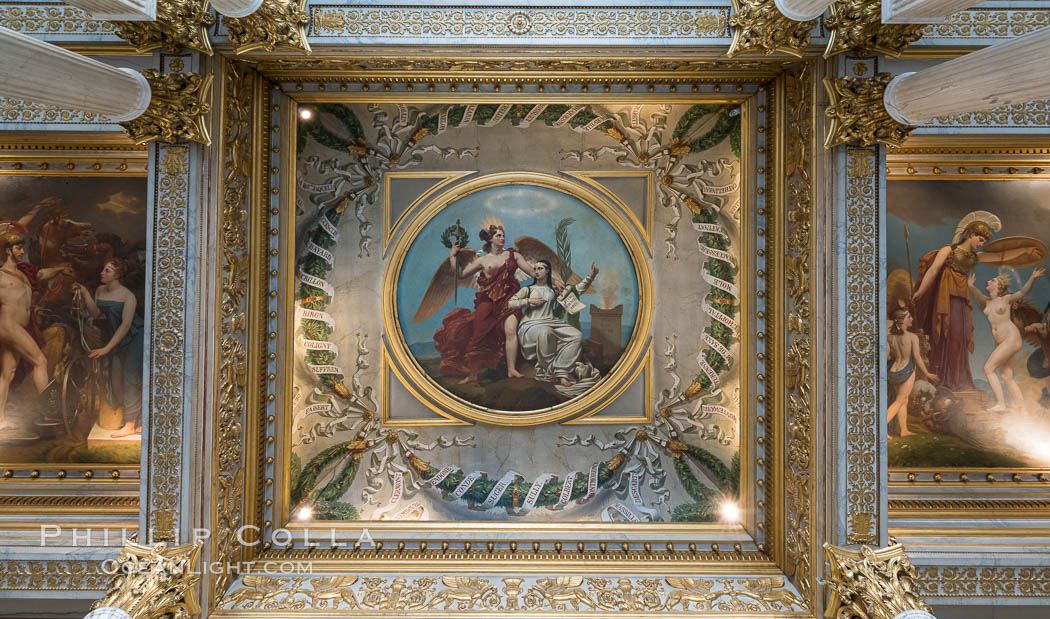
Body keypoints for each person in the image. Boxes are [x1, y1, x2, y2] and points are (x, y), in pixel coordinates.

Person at [911, 213, 1039, 392]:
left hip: (962, 302)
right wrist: (920, 292)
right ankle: (943, 380)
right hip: (946, 300)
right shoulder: (948, 250)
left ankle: (957, 379)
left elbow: (1001, 256)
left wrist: (1024, 251)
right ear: (970, 234)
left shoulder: (974, 257)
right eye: (980, 239)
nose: (981, 244)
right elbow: (932, 272)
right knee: (948, 334)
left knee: (960, 337)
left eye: (983, 242)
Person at [434, 224, 541, 384]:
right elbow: (461, 274)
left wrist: (553, 279)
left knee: (511, 330)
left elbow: (533, 272)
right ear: (490, 239)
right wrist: (452, 257)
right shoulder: (482, 260)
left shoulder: (514, 256)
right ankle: (473, 374)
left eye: (503, 235)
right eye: (498, 235)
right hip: (488, 299)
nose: (502, 238)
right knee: (479, 335)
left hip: (509, 297)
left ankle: (511, 369)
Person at [0, 232, 73, 431]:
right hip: (7, 325)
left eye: (22, 248)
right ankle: (48, 411)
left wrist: (60, 269)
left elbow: (41, 274)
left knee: (8, 372)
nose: (22, 251)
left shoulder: (24, 273)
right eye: (18, 248)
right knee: (40, 361)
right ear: (7, 251)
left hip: (17, 327)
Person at [73, 259, 144, 438]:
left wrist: (106, 348)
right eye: (103, 270)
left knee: (130, 376)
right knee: (115, 378)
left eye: (107, 271)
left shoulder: (128, 295)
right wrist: (84, 292)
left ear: (117, 275)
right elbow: (96, 314)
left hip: (135, 336)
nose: (102, 273)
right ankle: (136, 419)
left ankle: (130, 424)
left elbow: (126, 325)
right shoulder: (100, 290)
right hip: (115, 338)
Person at [509, 260, 600, 396]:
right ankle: (548, 371)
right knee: (545, 332)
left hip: (550, 322)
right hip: (531, 325)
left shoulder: (553, 290)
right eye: (535, 269)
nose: (536, 271)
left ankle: (561, 372)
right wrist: (528, 301)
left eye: (540, 268)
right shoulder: (527, 290)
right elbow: (510, 303)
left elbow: (576, 291)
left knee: (576, 335)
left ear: (547, 271)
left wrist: (590, 277)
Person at [968, 267, 1045, 412]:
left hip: (1011, 338)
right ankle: (1023, 410)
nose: (989, 281)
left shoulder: (1006, 299)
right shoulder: (986, 301)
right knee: (1006, 376)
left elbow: (1022, 292)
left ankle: (1001, 404)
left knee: (988, 369)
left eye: (993, 280)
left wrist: (1033, 277)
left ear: (999, 286)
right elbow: (977, 294)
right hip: (1001, 342)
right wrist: (970, 286)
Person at [886, 307, 938, 438]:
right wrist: (927, 374)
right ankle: (881, 429)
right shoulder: (912, 337)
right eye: (909, 317)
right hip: (906, 370)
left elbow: (887, 357)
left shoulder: (889, 337)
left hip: (892, 371)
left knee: (904, 401)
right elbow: (917, 357)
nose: (912, 319)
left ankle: (904, 430)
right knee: (900, 400)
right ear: (901, 321)